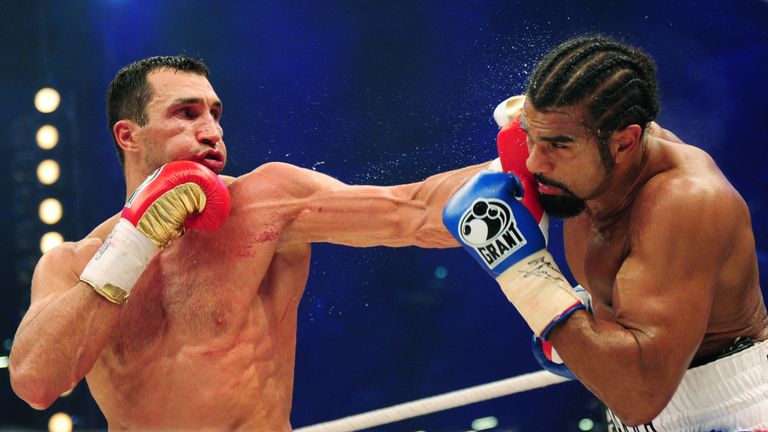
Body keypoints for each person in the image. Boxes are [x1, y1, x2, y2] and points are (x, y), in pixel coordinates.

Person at [8, 55, 485, 431]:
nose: (212, 131)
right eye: (186, 113)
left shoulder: (265, 202)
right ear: (128, 135)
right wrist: (133, 243)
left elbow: (417, 212)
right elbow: (36, 383)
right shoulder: (73, 262)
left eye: (215, 114)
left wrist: (523, 164)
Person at [444, 35, 768, 430]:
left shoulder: (684, 203)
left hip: (726, 410)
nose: (533, 160)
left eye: (557, 145)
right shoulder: (580, 167)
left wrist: (527, 277)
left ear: (625, 142)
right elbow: (408, 210)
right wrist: (587, 322)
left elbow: (639, 397)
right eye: (530, 136)